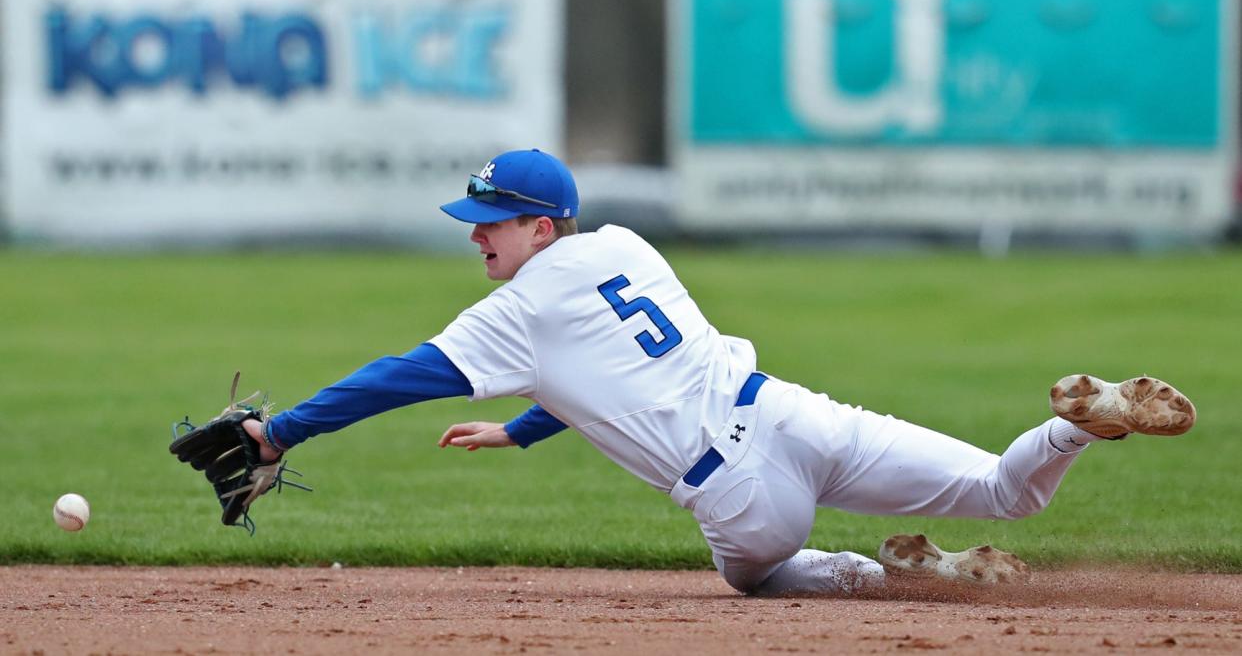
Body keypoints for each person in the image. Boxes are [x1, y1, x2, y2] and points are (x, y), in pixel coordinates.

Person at [240, 148, 1196, 596]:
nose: (477, 233)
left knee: (759, 576)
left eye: (492, 218)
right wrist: (521, 425)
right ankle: (1084, 421)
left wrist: (281, 432)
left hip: (737, 492)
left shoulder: (522, 305)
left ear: (543, 226)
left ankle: (887, 577)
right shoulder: (625, 244)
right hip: (792, 413)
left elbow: (398, 375)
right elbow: (609, 371)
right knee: (1002, 488)